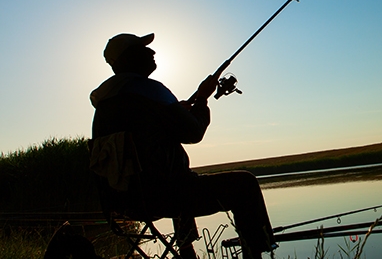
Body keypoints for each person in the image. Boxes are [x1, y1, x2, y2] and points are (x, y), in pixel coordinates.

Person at [90, 33, 275, 259]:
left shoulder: (104, 106)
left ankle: (187, 253)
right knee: (244, 183)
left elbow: (145, 137)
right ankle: (254, 255)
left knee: (180, 177)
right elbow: (193, 132)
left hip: (121, 202)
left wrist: (176, 111)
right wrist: (203, 100)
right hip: (162, 197)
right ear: (128, 57)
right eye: (144, 49)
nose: (152, 52)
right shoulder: (150, 91)